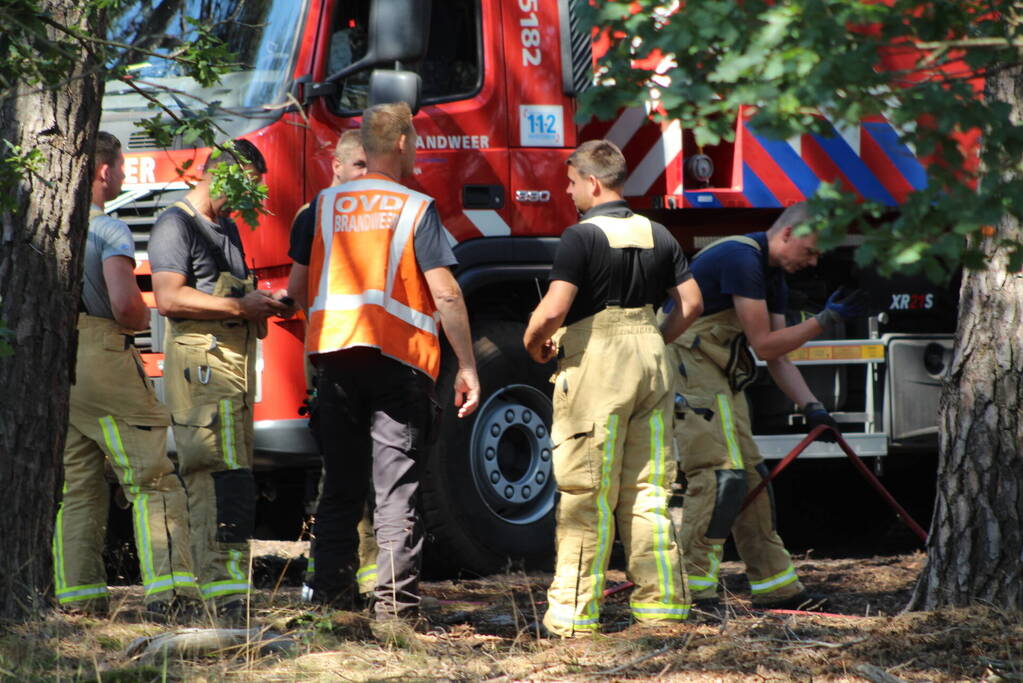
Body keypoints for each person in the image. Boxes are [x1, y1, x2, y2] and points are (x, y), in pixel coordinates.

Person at [288, 102, 480, 622]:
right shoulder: (415, 207)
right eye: (414, 141)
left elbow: (297, 289)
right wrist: (467, 366)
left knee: (341, 486)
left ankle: (330, 603)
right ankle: (394, 613)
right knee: (395, 490)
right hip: (398, 361)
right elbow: (447, 295)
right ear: (400, 144)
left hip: (334, 359)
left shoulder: (323, 207)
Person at [523, 139, 704, 638]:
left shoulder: (580, 237)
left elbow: (556, 308)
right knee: (649, 490)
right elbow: (691, 303)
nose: (568, 191)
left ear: (593, 183)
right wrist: (655, 340)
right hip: (651, 359)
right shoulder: (659, 233)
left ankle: (574, 617)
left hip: (598, 367)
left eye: (571, 183)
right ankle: (664, 609)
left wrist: (534, 341)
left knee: (587, 490)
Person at [667, 202, 867, 611]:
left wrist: (813, 406)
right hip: (687, 363)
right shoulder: (743, 258)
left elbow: (778, 356)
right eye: (810, 251)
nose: (812, 264)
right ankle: (693, 588)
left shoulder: (771, 273)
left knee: (750, 475)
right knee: (720, 474)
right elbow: (764, 344)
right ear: (788, 234)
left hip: (716, 368)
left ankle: (776, 585)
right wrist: (825, 319)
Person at [53, 131, 200, 620]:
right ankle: (173, 595)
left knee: (79, 486)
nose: (120, 175)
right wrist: (141, 319)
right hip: (103, 356)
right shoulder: (109, 229)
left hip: (58, 363)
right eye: (119, 167)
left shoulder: (47, 223)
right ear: (102, 171)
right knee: (153, 480)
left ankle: (77, 599)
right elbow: (125, 307)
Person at [149, 139, 289, 623]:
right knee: (217, 476)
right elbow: (168, 297)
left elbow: (227, 289)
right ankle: (222, 597)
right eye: (245, 187)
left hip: (232, 365)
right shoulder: (175, 224)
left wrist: (263, 301)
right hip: (203, 366)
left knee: (236, 475)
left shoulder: (226, 225)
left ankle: (227, 590)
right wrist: (237, 306)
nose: (247, 201)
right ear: (222, 175)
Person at [288, 130, 378, 600]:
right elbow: (299, 288)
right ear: (336, 168)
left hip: (373, 351)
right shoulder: (317, 212)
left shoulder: (381, 206)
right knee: (339, 472)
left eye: (370, 164)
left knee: (377, 473)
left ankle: (368, 576)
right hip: (332, 352)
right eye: (357, 165)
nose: (364, 174)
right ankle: (329, 576)